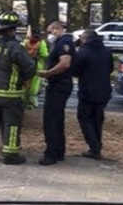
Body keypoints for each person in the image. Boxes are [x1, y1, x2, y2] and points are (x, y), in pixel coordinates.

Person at [0, 11, 36, 165]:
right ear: (12, 29)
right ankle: (10, 155)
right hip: (10, 96)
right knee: (11, 125)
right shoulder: (16, 47)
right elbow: (29, 68)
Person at [37, 21, 75, 166]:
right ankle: (59, 151)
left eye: (50, 31)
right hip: (60, 84)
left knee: (51, 119)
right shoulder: (63, 42)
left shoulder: (64, 44)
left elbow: (65, 63)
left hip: (59, 85)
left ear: (56, 29)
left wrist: (48, 73)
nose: (50, 35)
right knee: (57, 119)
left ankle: (51, 154)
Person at [72, 29, 113, 160]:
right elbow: (111, 68)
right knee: (97, 119)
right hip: (104, 91)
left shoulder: (83, 53)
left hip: (88, 91)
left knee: (84, 118)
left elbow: (75, 71)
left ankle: (94, 147)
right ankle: (97, 146)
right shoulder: (107, 51)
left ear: (84, 39)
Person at [22, 27, 49, 110]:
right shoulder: (41, 43)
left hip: (29, 67)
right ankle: (30, 103)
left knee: (29, 87)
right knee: (32, 87)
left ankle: (27, 103)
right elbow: (45, 54)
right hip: (34, 67)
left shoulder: (26, 42)